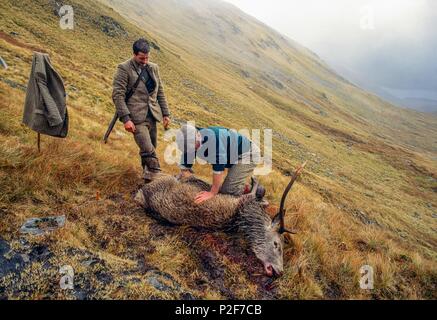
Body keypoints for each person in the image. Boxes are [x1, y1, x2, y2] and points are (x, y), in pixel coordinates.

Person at [112, 38, 171, 180]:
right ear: (134, 54)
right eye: (141, 58)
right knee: (148, 149)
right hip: (136, 118)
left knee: (150, 149)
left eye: (147, 57)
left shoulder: (154, 68)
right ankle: (160, 180)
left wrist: (166, 113)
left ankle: (147, 181)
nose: (145, 61)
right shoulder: (124, 68)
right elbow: (117, 95)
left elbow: (160, 92)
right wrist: (126, 119)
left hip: (153, 116)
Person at [176, 123, 265, 204]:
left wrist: (212, 193)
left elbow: (218, 169)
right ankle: (245, 187)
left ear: (197, 135)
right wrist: (184, 169)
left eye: (194, 145)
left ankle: (255, 194)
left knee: (228, 191)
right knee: (231, 183)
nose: (193, 149)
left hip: (247, 154)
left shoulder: (213, 140)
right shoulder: (193, 139)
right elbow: (188, 155)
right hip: (232, 154)